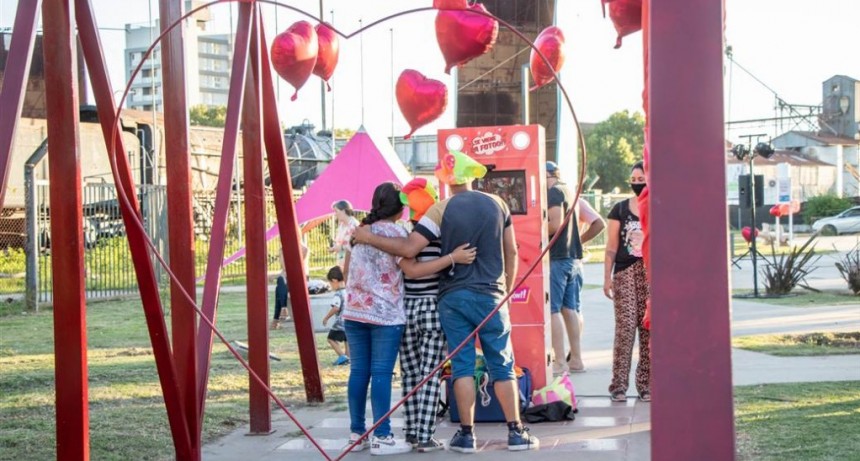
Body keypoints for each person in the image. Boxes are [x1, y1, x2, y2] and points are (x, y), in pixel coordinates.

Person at [353, 151, 540, 453]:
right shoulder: (499, 204)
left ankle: (466, 435)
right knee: (502, 365)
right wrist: (505, 288)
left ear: (445, 180)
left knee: (463, 366)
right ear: (474, 176)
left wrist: (366, 236)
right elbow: (512, 251)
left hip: (452, 299)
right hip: (492, 295)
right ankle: (516, 433)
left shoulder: (440, 210)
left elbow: (409, 248)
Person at [396, 178, 476, 452]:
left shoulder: (404, 235)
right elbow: (422, 270)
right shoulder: (443, 236)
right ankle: (424, 435)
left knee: (409, 373)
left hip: (405, 310)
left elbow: (408, 268)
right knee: (429, 374)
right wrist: (453, 258)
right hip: (433, 307)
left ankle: (410, 431)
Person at [341, 182, 412, 456]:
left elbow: (347, 272)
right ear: (401, 206)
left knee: (359, 372)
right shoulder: (399, 233)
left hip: (354, 311)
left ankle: (356, 433)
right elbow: (408, 261)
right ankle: (382, 435)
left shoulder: (356, 232)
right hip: (386, 314)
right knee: (382, 373)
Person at [545, 161, 605, 374]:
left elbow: (554, 224)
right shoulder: (570, 191)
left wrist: (532, 226)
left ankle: (560, 362)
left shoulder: (554, 192)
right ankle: (577, 359)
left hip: (557, 258)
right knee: (570, 309)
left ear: (546, 175)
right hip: (573, 259)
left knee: (552, 310)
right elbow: (597, 222)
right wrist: (579, 240)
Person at [602, 161, 651, 403]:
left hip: (651, 272)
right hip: (624, 272)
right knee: (625, 329)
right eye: (633, 179)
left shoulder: (656, 209)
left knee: (648, 329)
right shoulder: (619, 209)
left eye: (641, 179)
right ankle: (618, 385)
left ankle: (647, 385)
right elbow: (611, 247)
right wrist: (606, 278)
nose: (637, 183)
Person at [270, 230, 309, 330]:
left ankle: (276, 319)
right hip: (286, 278)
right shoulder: (282, 250)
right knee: (280, 284)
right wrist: (283, 251)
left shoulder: (304, 249)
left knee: (279, 284)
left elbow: (297, 266)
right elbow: (284, 267)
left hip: (299, 278)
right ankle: (283, 309)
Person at [321, 265, 349, 366]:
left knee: (331, 338)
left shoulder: (338, 294)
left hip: (340, 323)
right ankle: (348, 357)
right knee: (347, 339)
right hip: (349, 320)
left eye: (331, 283)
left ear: (334, 280)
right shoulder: (348, 291)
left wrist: (326, 317)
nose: (331, 286)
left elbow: (336, 307)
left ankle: (342, 356)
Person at [330, 199, 359, 268]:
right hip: (342, 261)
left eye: (336, 211)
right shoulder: (341, 225)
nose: (335, 214)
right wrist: (334, 248)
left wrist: (340, 247)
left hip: (353, 263)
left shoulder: (354, 225)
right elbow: (340, 242)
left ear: (343, 211)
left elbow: (356, 245)